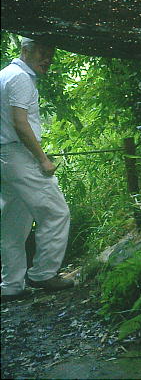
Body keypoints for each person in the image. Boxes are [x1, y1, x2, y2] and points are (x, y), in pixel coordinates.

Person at [1, 37, 74, 302]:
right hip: (19, 155)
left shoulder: (4, 75)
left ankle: (10, 285)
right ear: (25, 50)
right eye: (42, 52)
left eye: (50, 54)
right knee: (56, 212)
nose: (47, 59)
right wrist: (42, 159)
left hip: (5, 157)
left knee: (14, 222)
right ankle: (43, 274)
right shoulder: (20, 78)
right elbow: (20, 123)